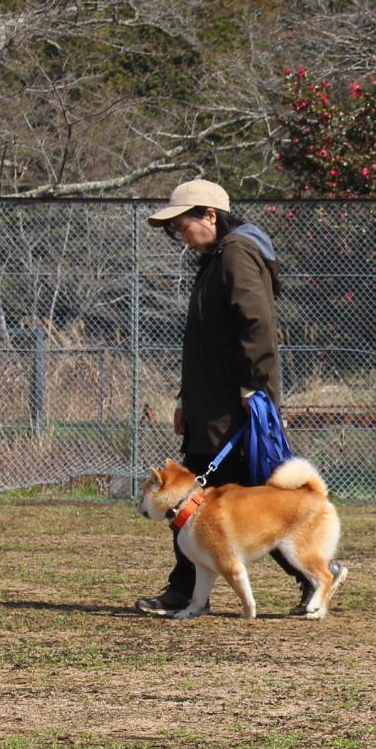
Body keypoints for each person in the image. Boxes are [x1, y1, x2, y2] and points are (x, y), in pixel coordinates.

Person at [135, 178, 290, 616]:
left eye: (184, 225)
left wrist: (254, 389)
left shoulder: (236, 256)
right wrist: (187, 400)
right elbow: (204, 343)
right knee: (241, 505)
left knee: (199, 503)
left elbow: (256, 324)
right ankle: (190, 592)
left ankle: (185, 593)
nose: (181, 235)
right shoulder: (215, 259)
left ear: (210, 215)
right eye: (175, 229)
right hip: (211, 405)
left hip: (232, 408)